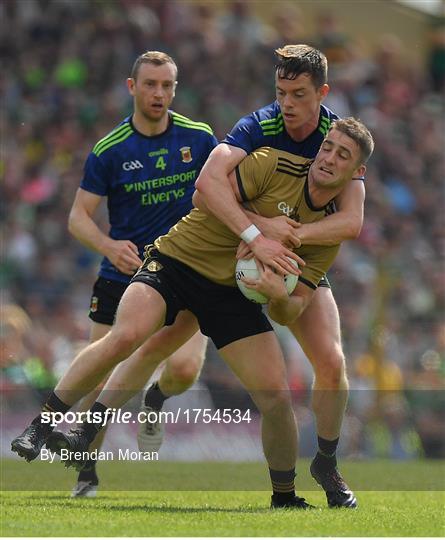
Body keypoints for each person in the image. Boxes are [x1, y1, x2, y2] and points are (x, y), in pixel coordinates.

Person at [12, 117, 374, 510]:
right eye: (327, 147)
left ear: (357, 172)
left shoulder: (328, 233)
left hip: (230, 293)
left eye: (342, 155)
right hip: (179, 261)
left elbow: (290, 310)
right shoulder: (273, 162)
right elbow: (206, 195)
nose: (329, 158)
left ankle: (284, 497)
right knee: (127, 337)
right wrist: (261, 231)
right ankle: (43, 427)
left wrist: (275, 295)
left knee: (274, 396)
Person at [139, 44, 366, 508]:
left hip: (294, 257)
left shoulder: (336, 137)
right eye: (281, 91)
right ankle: (130, 411)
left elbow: (351, 221)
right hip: (235, 250)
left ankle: (325, 460)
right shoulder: (258, 126)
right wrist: (262, 232)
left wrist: (292, 239)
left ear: (321, 93)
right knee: (164, 352)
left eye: (298, 94)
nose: (286, 103)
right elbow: (206, 189)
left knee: (333, 363)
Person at [63, 50, 217, 497]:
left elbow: (225, 190)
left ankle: (156, 400)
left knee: (186, 370)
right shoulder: (109, 150)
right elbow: (78, 217)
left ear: (175, 89)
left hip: (186, 272)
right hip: (121, 275)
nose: (159, 93)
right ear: (133, 87)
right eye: (150, 84)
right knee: (98, 375)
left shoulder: (199, 137)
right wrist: (109, 245)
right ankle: (86, 471)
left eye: (167, 85)